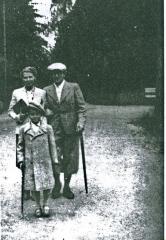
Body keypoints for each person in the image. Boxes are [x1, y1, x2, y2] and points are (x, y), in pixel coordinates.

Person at [44, 63, 86, 199]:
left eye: (59, 73)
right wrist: (46, 111)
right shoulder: (46, 90)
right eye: (54, 73)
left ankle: (67, 186)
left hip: (71, 127)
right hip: (53, 127)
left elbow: (81, 107)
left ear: (64, 73)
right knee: (54, 156)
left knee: (69, 156)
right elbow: (42, 108)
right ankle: (57, 184)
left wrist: (80, 122)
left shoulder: (73, 87)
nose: (56, 75)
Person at [8, 66, 47, 200]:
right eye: (25, 77)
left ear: (35, 78)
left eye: (30, 77)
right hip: (22, 129)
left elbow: (44, 111)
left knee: (36, 158)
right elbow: (10, 110)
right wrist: (16, 117)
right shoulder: (16, 92)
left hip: (36, 131)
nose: (28, 79)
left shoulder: (42, 93)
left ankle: (36, 187)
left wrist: (43, 126)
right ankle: (26, 187)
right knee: (23, 158)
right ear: (22, 78)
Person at [17, 102, 59, 217]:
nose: (35, 116)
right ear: (29, 115)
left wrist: (55, 160)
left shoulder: (48, 128)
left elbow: (52, 145)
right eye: (32, 114)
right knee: (34, 186)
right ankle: (37, 206)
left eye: (37, 114)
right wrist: (20, 160)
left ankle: (45, 204)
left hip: (45, 160)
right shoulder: (23, 129)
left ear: (41, 115)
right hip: (30, 161)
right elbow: (20, 146)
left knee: (46, 184)